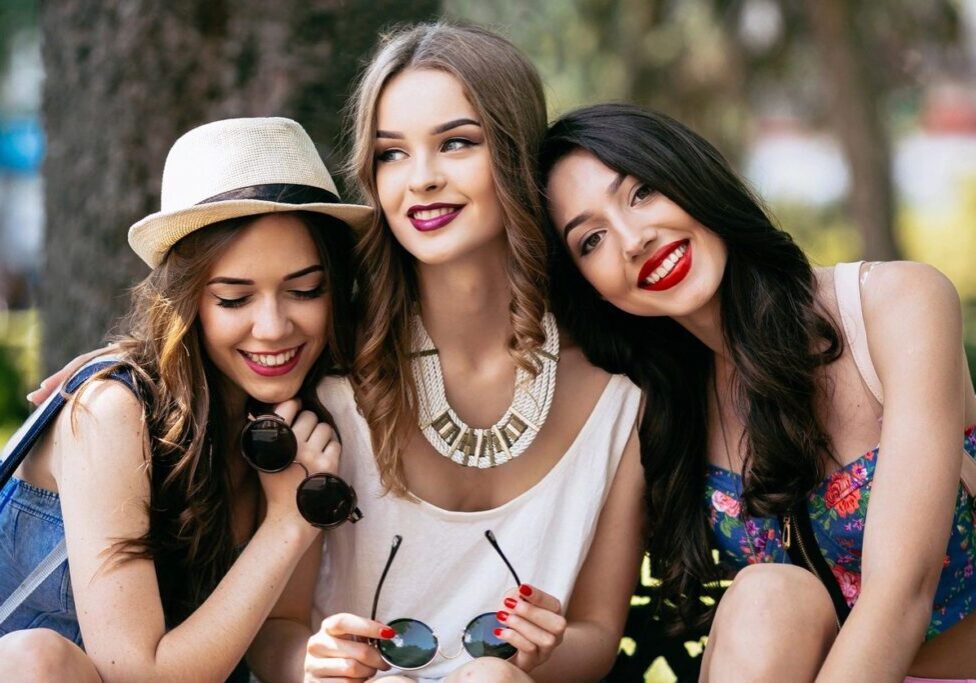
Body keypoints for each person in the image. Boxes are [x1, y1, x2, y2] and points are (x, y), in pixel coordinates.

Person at [248, 24, 644, 683]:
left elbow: (596, 635)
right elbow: (278, 630)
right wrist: (310, 661)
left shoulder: (614, 403)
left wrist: (540, 650)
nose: (422, 179)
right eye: (391, 154)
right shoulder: (332, 373)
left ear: (515, 154)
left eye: (456, 143)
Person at [539, 103, 976, 682]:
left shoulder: (895, 306)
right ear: (589, 289)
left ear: (691, 175)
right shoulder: (660, 409)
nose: (632, 239)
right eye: (590, 239)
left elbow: (902, 596)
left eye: (642, 192)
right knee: (768, 597)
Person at [0, 116, 372, 682]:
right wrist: (288, 526)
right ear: (187, 300)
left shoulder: (296, 421)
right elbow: (140, 677)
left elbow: (277, 629)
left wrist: (329, 668)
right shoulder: (113, 412)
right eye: (233, 298)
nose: (273, 327)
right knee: (37, 661)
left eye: (304, 290)